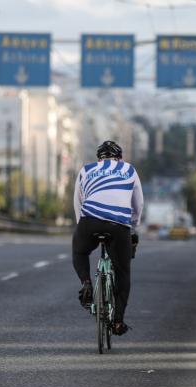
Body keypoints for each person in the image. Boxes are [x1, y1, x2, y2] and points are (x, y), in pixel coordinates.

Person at [72, 140, 143, 336]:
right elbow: (138, 204)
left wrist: (81, 226)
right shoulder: (129, 170)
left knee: (79, 252)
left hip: (89, 221)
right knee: (123, 272)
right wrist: (133, 226)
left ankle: (86, 283)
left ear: (99, 159)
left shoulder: (86, 170)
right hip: (119, 225)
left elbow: (78, 202)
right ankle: (118, 321)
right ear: (120, 158)